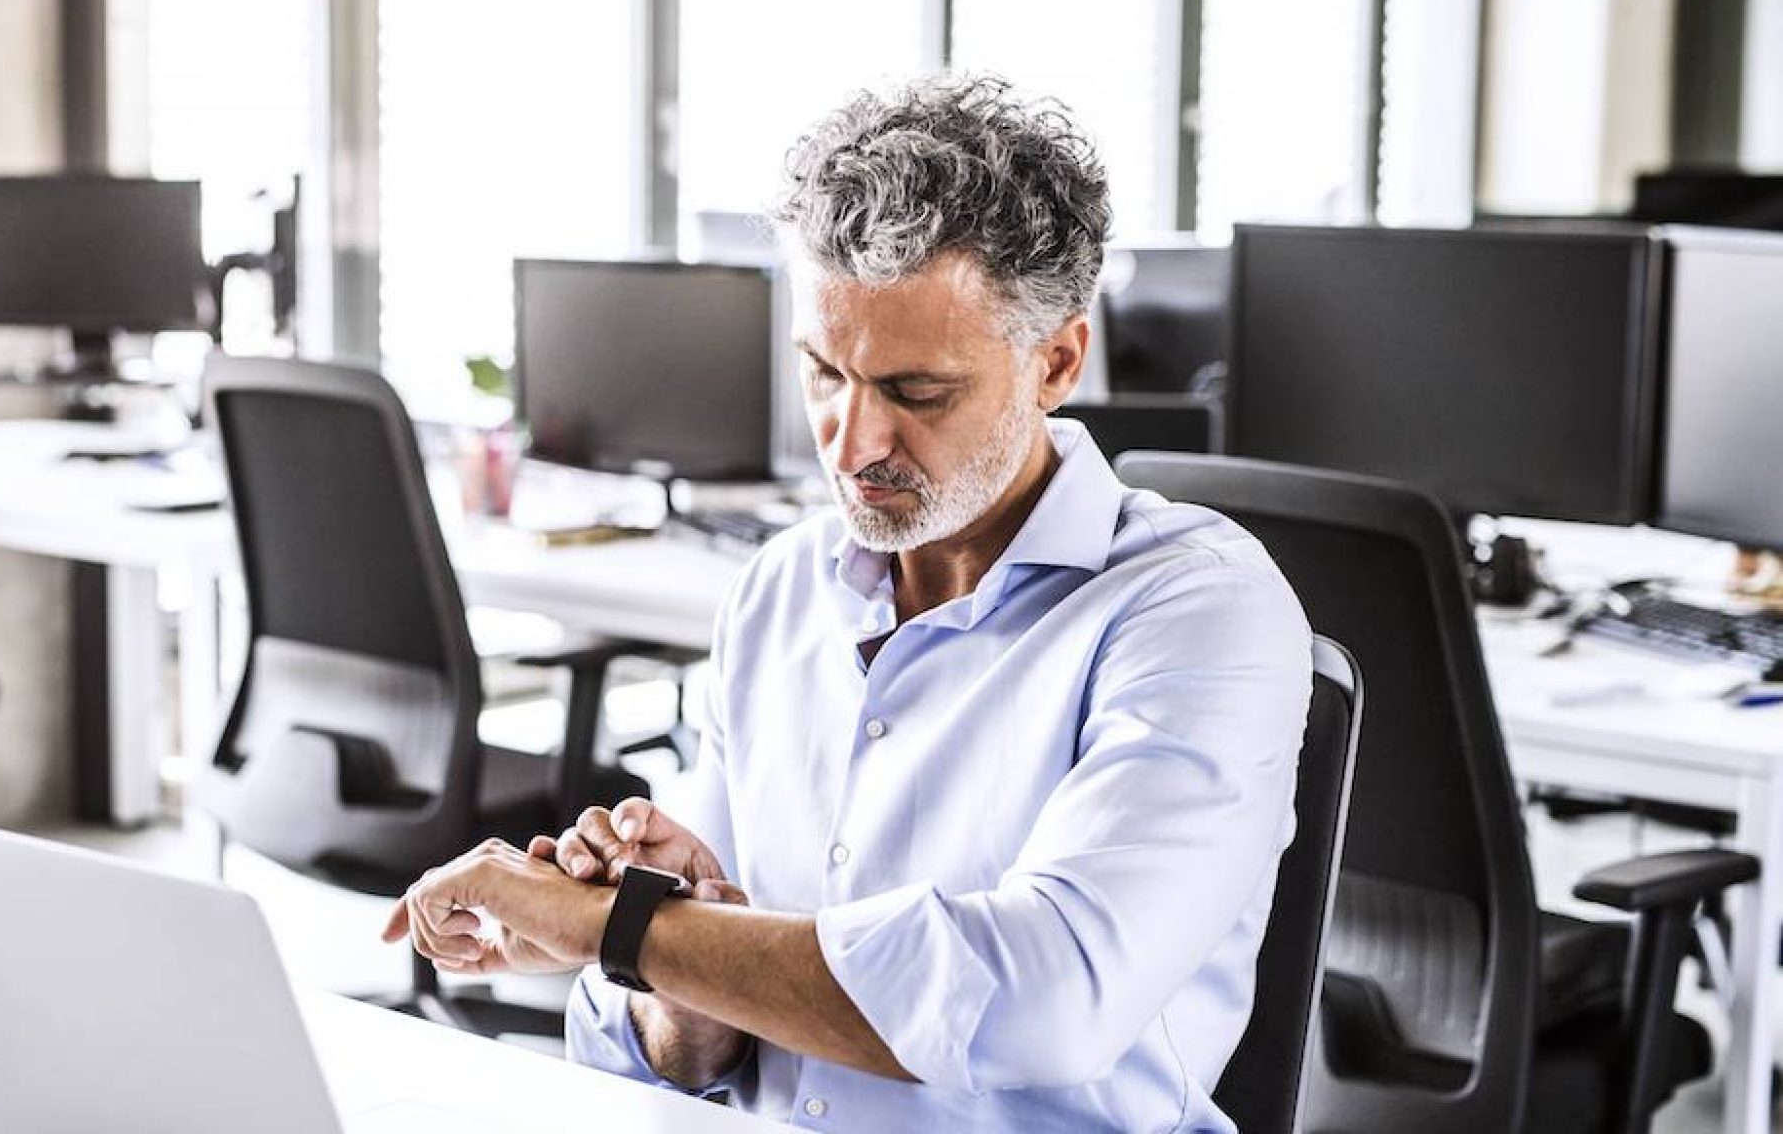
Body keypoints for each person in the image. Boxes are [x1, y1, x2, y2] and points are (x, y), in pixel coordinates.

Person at [381, 73, 1311, 1131]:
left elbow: (1037, 1001)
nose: (853, 443)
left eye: (917, 392)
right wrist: (690, 937)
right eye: (824, 372)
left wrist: (619, 927)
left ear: (1056, 360)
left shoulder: (1198, 611)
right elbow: (677, 1053)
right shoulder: (783, 590)